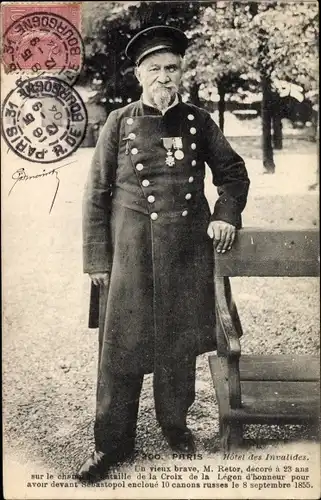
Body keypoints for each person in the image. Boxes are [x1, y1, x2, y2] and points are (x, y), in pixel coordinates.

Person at [78, 25, 250, 483]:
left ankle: (176, 429)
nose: (164, 77)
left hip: (183, 253)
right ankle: (111, 445)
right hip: (130, 253)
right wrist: (97, 259)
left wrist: (225, 214)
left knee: (177, 346)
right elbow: (96, 194)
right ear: (139, 75)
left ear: (181, 73)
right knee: (120, 349)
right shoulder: (118, 122)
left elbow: (233, 173)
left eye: (171, 68)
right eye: (154, 69)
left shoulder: (198, 120)